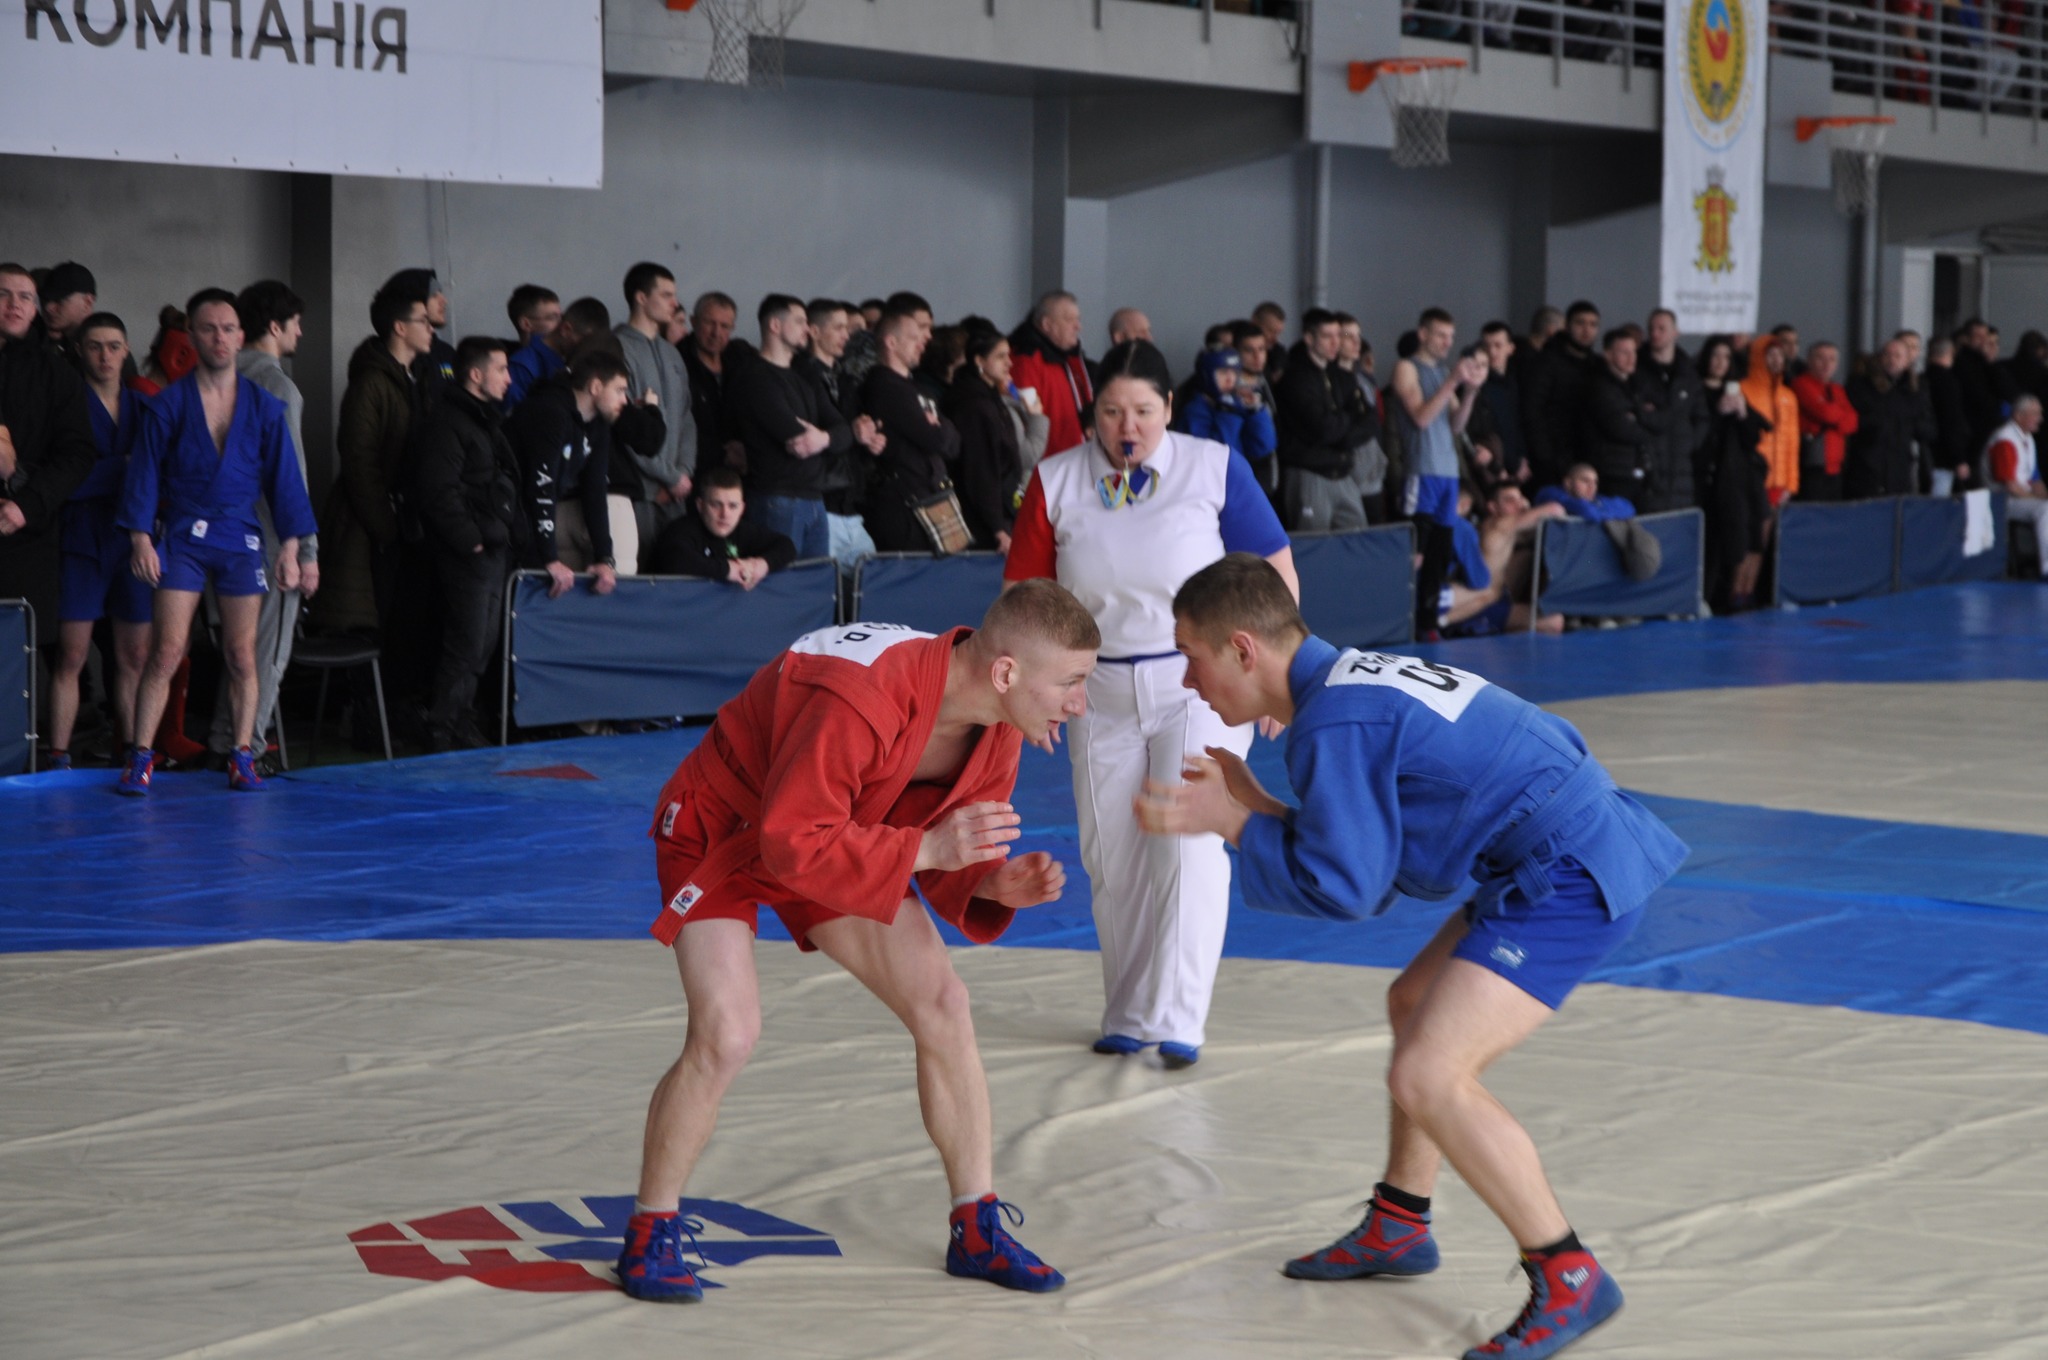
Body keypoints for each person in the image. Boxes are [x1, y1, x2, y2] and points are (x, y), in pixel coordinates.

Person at [1135, 553, 1687, 1360]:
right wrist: (1255, 806)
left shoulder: (1331, 721)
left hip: (1568, 870)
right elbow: (1375, 850)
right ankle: (1401, 1221)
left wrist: (1235, 825)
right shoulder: (1347, 683)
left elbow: (1352, 889)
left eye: (1192, 656)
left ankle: (1568, 1271)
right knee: (1412, 1005)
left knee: (1427, 1074)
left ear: (1244, 650)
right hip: (1556, 848)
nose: (1189, 681)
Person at [617, 584, 1101, 1303]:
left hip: (834, 832)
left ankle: (977, 1228)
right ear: (1005, 673)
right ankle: (650, 1231)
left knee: (943, 1002)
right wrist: (929, 850)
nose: (1079, 705)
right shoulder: (865, 694)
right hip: (723, 824)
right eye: (1071, 683)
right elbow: (793, 843)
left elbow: (940, 844)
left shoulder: (997, 724)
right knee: (727, 1033)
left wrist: (991, 882)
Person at [1004, 339, 1297, 1069]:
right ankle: (1129, 1011)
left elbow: (1276, 568)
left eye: (1142, 410)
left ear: (1168, 408)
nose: (1126, 425)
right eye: (1110, 411)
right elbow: (1025, 601)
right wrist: (1031, 696)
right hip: (1094, 689)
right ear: (1091, 413)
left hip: (1199, 684)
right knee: (1115, 852)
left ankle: (1179, 1017)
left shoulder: (1213, 466)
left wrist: (1277, 676)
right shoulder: (1056, 480)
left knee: (1192, 845)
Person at [117, 289, 316, 794]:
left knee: (243, 655)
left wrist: (294, 546)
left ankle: (242, 754)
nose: (220, 338)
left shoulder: (266, 407)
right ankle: (140, 756)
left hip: (240, 535)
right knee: (165, 652)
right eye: (208, 329)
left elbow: (285, 482)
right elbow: (143, 475)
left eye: (228, 329)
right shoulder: (168, 405)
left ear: (241, 335)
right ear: (192, 334)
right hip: (182, 534)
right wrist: (141, 538)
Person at [46, 313, 156, 769]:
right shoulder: (64, 406)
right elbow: (64, 480)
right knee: (72, 654)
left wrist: (113, 473)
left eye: (114, 346)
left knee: (134, 655)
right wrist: (123, 469)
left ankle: (131, 751)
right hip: (80, 539)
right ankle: (57, 754)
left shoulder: (144, 407)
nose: (105, 355)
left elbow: (155, 477)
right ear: (79, 351)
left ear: (127, 350)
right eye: (95, 346)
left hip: (132, 541)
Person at [412, 336, 527, 752]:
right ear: (476, 375)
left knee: (485, 642)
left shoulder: (482, 421)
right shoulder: (450, 422)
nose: (508, 378)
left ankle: (460, 720)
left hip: (492, 548)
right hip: (470, 554)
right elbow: (437, 490)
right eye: (501, 369)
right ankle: (442, 726)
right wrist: (471, 541)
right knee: (467, 641)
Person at [313, 275, 433, 638]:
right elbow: (358, 460)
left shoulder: (416, 380)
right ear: (400, 327)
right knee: (368, 625)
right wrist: (386, 526)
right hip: (368, 528)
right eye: (423, 321)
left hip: (403, 524)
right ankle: (364, 696)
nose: (431, 328)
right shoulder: (371, 383)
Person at [0, 263, 99, 679]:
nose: (15, 305)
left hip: (23, 535)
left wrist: (26, 503)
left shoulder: (55, 373)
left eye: (26, 297)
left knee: (11, 669)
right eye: (4, 294)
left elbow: (77, 454)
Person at [728, 294, 848, 560]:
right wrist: (825, 437)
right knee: (783, 588)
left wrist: (823, 439)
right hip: (777, 498)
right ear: (775, 325)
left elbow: (844, 431)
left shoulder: (805, 379)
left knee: (816, 587)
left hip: (814, 499)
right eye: (800, 321)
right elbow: (794, 438)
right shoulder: (755, 377)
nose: (808, 328)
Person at [507, 349, 630, 600]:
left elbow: (595, 490)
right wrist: (550, 559)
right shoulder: (550, 411)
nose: (625, 400)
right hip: (504, 513)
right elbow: (541, 488)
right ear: (595, 386)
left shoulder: (598, 423)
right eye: (620, 390)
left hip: (529, 515)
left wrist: (605, 558)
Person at [1392, 309, 1492, 588]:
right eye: (1440, 335)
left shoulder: (1445, 373)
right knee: (1417, 551)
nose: (1447, 342)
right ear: (1423, 334)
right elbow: (1421, 418)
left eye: (1451, 337)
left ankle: (1429, 622)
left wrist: (1471, 390)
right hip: (1423, 470)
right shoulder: (1407, 368)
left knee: (1439, 552)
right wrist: (1453, 381)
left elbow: (1457, 426)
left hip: (1448, 472)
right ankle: (1405, 617)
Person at [860, 306, 961, 553]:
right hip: (904, 508)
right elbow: (934, 440)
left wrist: (942, 428)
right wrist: (940, 430)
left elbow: (955, 444)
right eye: (913, 338)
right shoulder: (885, 386)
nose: (921, 344)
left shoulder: (918, 389)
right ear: (891, 342)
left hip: (932, 499)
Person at [614, 263, 697, 551]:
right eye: (666, 295)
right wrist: (669, 478)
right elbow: (624, 426)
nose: (675, 303)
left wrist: (683, 474)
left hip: (676, 495)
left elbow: (686, 418)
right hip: (638, 496)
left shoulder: (672, 353)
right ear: (641, 297)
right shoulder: (617, 348)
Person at [1276, 308, 1379, 533]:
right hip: (1309, 472)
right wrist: (1350, 420)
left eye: (1338, 336)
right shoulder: (1296, 378)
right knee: (1313, 546)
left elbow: (1371, 420)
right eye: (1327, 336)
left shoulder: (1340, 375)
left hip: (1342, 471)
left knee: (1357, 540)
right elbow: (1324, 429)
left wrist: (1342, 432)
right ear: (1309, 338)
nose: (1335, 343)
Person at [800, 298, 882, 574]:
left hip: (851, 506)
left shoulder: (844, 380)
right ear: (814, 331)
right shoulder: (802, 377)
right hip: (821, 505)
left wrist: (870, 439)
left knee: (870, 588)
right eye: (838, 328)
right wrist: (850, 432)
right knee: (826, 597)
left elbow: (850, 434)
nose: (846, 336)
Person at [943, 326, 1041, 554]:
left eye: (1008, 355)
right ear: (979, 360)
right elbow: (981, 472)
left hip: (999, 511)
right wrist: (997, 528)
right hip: (983, 523)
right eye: (1000, 356)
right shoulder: (974, 406)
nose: (1009, 363)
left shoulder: (990, 399)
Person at [1697, 336, 1773, 612]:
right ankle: (1704, 597)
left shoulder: (1736, 393)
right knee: (1706, 544)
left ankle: (1726, 598)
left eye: (1726, 357)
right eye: (1715, 356)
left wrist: (1742, 414)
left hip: (1734, 482)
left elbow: (1755, 436)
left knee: (1734, 541)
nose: (1720, 362)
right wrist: (1717, 414)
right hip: (1704, 480)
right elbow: (1696, 437)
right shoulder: (1695, 391)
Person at [647, 464, 795, 583]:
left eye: (733, 506)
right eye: (716, 505)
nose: (725, 514)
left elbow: (786, 546)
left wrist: (761, 565)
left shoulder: (743, 530)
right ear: (700, 505)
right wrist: (729, 570)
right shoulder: (680, 531)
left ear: (742, 508)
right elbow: (678, 560)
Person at [1635, 309, 1709, 511]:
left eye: (1661, 328)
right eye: (1652, 329)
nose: (1655, 334)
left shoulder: (1688, 374)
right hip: (1649, 466)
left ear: (1676, 332)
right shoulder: (1637, 369)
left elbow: (1701, 417)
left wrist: (1689, 443)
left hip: (1681, 469)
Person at [1580, 329, 1662, 507]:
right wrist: (1646, 419)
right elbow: (1620, 428)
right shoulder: (1599, 387)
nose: (1632, 358)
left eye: (1634, 352)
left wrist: (1637, 415)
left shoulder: (1638, 385)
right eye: (1624, 352)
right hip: (1613, 474)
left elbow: (1661, 418)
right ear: (1608, 355)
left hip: (1640, 471)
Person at [1843, 338, 1933, 501]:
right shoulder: (1861, 385)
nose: (1892, 360)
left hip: (1900, 464)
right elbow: (1854, 421)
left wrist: (1914, 427)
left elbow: (1927, 426)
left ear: (1907, 361)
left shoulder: (1916, 390)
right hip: (1867, 463)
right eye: (1887, 355)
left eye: (1897, 356)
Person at [1524, 300, 1601, 487]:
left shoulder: (1599, 366)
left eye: (1593, 325)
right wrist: (1545, 457)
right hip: (1552, 462)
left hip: (1590, 460)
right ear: (1566, 326)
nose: (1586, 330)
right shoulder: (1546, 362)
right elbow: (1532, 411)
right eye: (1580, 323)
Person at [1008, 291, 1093, 458]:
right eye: (1070, 320)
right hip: (1048, 464)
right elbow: (1026, 415)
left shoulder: (1069, 357)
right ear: (1047, 325)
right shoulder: (1026, 361)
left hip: (1073, 457)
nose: (1078, 326)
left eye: (1078, 320)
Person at [1182, 347, 1277, 477]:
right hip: (1208, 482)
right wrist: (1228, 412)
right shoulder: (1195, 410)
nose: (1230, 379)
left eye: (1234, 372)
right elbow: (1214, 456)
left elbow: (1263, 447)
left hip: (1236, 480)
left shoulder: (1236, 402)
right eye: (1223, 372)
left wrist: (1255, 411)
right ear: (1206, 375)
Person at [1789, 342, 1860, 502]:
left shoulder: (1837, 389)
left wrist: (1834, 419)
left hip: (1836, 463)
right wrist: (1837, 418)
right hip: (1812, 462)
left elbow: (1853, 422)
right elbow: (1825, 413)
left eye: (1832, 359)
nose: (1827, 364)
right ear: (1809, 361)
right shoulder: (1801, 384)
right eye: (1820, 358)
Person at [1986, 395, 2048, 575]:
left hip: (2022, 496)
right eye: (2035, 414)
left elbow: (2035, 480)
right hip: (2002, 500)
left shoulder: (2028, 439)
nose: (2040, 419)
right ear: (2019, 416)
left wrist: (2043, 495)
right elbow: (2010, 485)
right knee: (2045, 510)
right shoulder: (2005, 439)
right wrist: (2038, 499)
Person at [1740, 333, 1802, 507]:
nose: (1776, 360)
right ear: (1759, 356)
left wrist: (1791, 483)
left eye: (1780, 355)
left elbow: (1792, 442)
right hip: (1751, 478)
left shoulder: (1788, 396)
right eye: (1771, 355)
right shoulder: (1743, 390)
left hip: (1779, 482)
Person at [682, 291, 740, 475]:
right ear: (693, 322)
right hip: (693, 472)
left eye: (725, 326)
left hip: (737, 474)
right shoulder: (677, 361)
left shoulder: (741, 361)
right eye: (709, 323)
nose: (716, 332)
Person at [1924, 337, 1978, 496]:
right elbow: (1951, 421)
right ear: (1950, 354)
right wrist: (1959, 458)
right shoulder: (1948, 382)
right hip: (1944, 458)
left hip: (1926, 454)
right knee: (1938, 506)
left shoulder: (1921, 380)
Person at [502, 283, 563, 409]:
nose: (562, 325)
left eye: (561, 317)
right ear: (526, 324)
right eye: (553, 318)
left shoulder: (562, 355)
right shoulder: (520, 368)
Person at [37, 261, 98, 358]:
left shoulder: (103, 353)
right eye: (46, 299)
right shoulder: (51, 344)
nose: (48, 308)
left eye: (59, 300)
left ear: (87, 302)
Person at [1536, 463, 1637, 521]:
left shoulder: (1595, 499)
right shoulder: (1550, 494)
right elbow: (1587, 511)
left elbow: (1628, 508)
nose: (1592, 487)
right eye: (1585, 481)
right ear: (1568, 483)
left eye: (1595, 482)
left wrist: (1600, 510)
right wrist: (1604, 511)